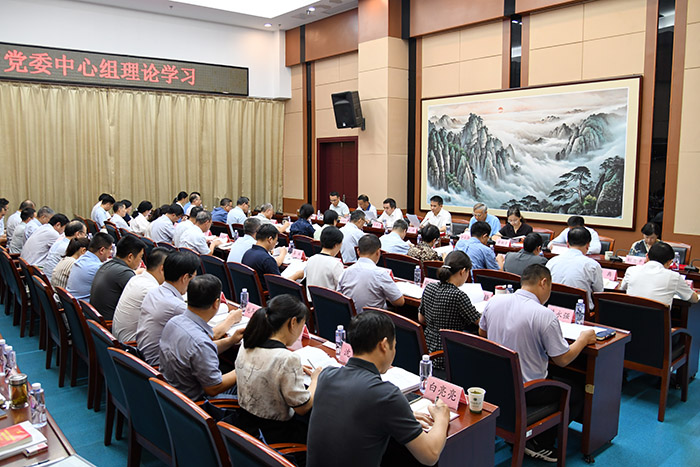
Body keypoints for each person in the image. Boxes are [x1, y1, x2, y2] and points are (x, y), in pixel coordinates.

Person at [479, 264, 596, 462]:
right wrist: (583, 339)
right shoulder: (544, 314)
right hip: (528, 390)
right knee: (575, 392)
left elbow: (483, 333)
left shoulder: (495, 301)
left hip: (495, 382)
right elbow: (563, 359)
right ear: (544, 282)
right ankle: (540, 442)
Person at [307, 310, 450, 467]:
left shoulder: (326, 376)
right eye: (394, 346)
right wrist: (442, 417)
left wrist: (402, 415)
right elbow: (430, 455)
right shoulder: (386, 395)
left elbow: (357, 410)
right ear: (384, 345)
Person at [236, 295, 320, 443]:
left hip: (245, 424)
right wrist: (316, 380)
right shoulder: (287, 358)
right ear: (293, 322)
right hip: (275, 434)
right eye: (302, 325)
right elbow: (302, 407)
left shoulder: (248, 342)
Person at [137, 251, 242, 366]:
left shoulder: (154, 292)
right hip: (160, 363)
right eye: (193, 278)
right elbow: (211, 336)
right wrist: (232, 319)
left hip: (144, 356)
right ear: (185, 277)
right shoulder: (176, 306)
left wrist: (230, 340)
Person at [159, 274, 244, 400]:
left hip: (173, 395)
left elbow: (199, 350)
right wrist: (245, 367)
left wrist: (231, 341)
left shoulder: (174, 322)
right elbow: (214, 388)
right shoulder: (200, 343)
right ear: (216, 303)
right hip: (196, 403)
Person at [418, 251, 480, 370]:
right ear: (463, 271)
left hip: (426, 347)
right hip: (448, 353)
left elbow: (421, 318)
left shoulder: (429, 287)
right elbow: (480, 322)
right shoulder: (458, 296)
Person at [113, 247, 171, 343]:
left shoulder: (136, 278)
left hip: (119, 338)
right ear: (162, 269)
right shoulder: (151, 289)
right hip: (131, 344)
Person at [337, 234, 404, 311]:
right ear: (378, 252)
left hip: (351, 317)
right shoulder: (380, 274)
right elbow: (399, 302)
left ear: (358, 251)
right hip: (373, 318)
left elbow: (340, 297)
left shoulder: (345, 272)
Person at [620, 242, 698, 306]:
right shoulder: (674, 277)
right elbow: (694, 299)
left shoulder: (631, 270)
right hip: (657, 320)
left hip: (630, 318)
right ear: (669, 262)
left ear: (647, 256)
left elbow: (621, 288)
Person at [90, 235, 146, 320]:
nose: (140, 261)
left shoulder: (107, 264)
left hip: (97, 321)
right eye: (140, 257)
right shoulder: (124, 273)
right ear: (130, 257)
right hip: (109, 324)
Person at [546, 226, 603, 309]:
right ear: (588, 245)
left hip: (554, 309)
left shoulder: (551, 262)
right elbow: (599, 292)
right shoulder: (592, 265)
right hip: (581, 312)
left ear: (567, 243)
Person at [242, 224, 303, 289]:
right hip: (268, 293)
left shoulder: (247, 253)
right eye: (276, 241)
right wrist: (296, 275)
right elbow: (281, 285)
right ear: (270, 239)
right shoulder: (267, 259)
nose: (275, 244)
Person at [65, 233, 114, 301]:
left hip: (72, 303)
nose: (111, 253)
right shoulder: (97, 268)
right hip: (82, 306)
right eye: (110, 249)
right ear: (102, 250)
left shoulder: (81, 259)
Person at [305, 226, 344, 293]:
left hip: (310, 299)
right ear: (336, 245)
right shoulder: (335, 264)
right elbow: (342, 288)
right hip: (329, 299)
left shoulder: (310, 259)